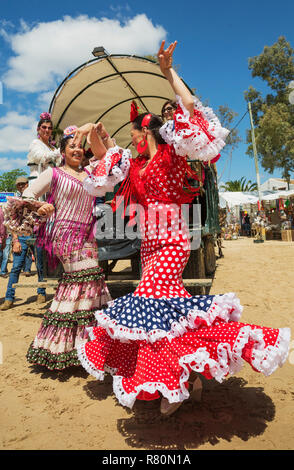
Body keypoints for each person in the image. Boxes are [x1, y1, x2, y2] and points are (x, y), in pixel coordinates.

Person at [72, 40, 290, 416]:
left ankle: (173, 384)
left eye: (135, 132)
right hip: (149, 240)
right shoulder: (134, 165)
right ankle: (190, 376)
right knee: (166, 309)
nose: (130, 139)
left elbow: (188, 107)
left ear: (147, 131)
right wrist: (92, 130)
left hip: (172, 237)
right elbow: (102, 156)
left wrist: (167, 71)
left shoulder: (173, 154)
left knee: (153, 305)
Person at [3, 126, 112, 369]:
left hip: (87, 235)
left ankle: (77, 348)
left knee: (85, 286)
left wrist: (97, 132)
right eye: (70, 146)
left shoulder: (91, 173)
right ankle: (84, 346)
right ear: (62, 151)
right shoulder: (53, 174)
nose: (76, 149)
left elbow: (110, 156)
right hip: (65, 235)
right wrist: (39, 207)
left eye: (79, 146)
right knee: (88, 275)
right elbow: (28, 193)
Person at [0, 177, 46, 310]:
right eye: (18, 185)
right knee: (15, 268)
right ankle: (9, 298)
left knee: (40, 266)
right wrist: (15, 240)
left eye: (23, 184)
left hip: (37, 236)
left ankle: (41, 293)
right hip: (21, 237)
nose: (21, 186)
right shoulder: (15, 202)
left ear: (27, 184)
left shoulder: (38, 198)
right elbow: (11, 222)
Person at [27, 112, 62, 182]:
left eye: (50, 128)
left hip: (52, 181)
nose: (47, 130)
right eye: (44, 127)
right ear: (38, 129)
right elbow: (40, 158)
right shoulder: (35, 143)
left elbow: (59, 164)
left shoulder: (53, 148)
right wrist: (57, 153)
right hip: (38, 180)